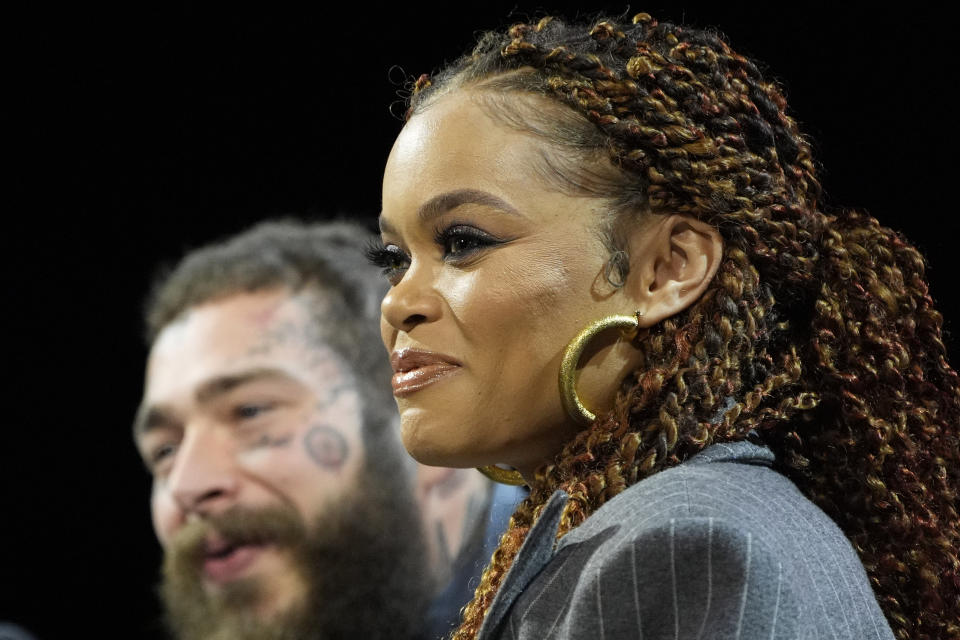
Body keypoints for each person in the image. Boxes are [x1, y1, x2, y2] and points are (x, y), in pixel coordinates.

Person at [370, 14, 960, 640]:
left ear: (668, 269)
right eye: (393, 259)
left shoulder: (682, 548)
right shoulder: (652, 522)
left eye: (463, 242)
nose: (398, 302)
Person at [133, 220, 521, 640]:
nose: (188, 486)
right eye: (164, 451)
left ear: (418, 418)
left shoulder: (585, 590)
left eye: (249, 411)